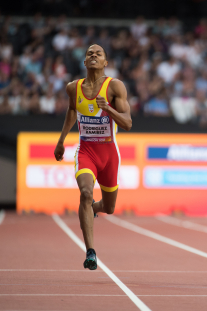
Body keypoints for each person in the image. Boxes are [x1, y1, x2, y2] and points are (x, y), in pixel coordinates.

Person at [54, 44, 132, 270]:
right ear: (85, 62)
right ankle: (90, 252)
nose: (94, 55)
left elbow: (127, 123)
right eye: (90, 53)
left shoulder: (115, 86)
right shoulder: (73, 88)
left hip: (109, 154)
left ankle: (95, 210)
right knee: (86, 193)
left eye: (99, 54)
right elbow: (71, 110)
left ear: (106, 63)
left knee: (109, 208)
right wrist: (61, 141)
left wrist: (108, 109)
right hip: (86, 152)